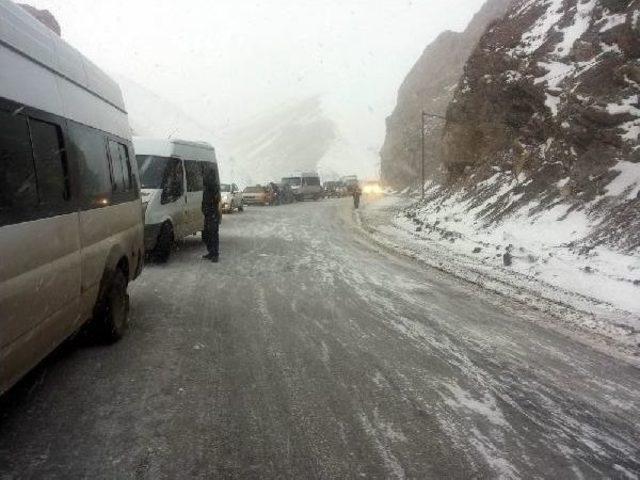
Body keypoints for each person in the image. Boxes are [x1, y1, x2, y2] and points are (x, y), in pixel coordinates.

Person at [201, 164, 221, 262]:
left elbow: (216, 200)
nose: (204, 177)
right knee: (205, 235)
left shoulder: (213, 187)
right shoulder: (207, 188)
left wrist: (210, 209)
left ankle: (215, 255)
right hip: (208, 214)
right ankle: (211, 252)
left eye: (206, 175)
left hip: (212, 214)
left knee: (213, 235)